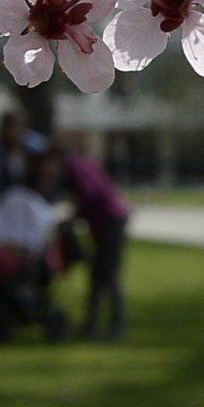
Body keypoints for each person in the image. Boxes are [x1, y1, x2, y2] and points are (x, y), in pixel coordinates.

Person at [53, 141, 130, 341]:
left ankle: (117, 325)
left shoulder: (72, 167)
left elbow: (88, 196)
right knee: (97, 275)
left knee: (109, 275)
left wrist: (72, 218)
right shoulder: (84, 163)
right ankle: (91, 325)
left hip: (111, 222)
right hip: (108, 221)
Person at [0, 109, 46, 215]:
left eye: (19, 126)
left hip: (32, 201)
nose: (15, 131)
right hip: (6, 202)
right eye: (12, 127)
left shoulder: (33, 145)